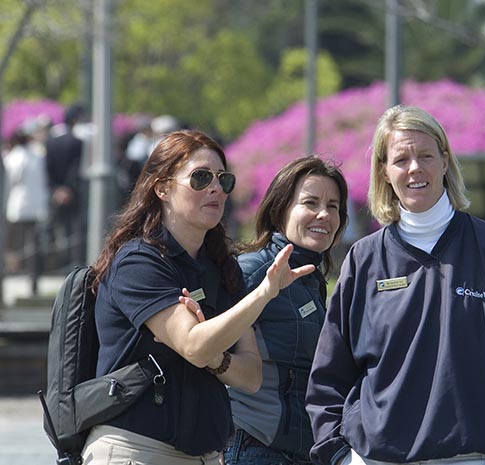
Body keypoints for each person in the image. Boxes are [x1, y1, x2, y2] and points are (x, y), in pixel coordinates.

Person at [305, 105, 485, 465]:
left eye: (425, 155)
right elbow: (328, 375)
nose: (414, 168)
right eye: (401, 159)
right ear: (385, 172)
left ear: (445, 161)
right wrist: (339, 456)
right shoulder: (364, 259)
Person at [83, 129, 315, 464]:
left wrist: (213, 355)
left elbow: (250, 376)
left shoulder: (220, 267)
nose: (216, 188)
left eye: (224, 179)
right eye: (200, 177)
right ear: (162, 187)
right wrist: (264, 293)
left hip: (202, 455)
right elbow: (194, 343)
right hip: (136, 451)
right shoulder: (138, 261)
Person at [223, 156, 349, 465]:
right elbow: (207, 355)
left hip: (300, 453)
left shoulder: (311, 279)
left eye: (333, 206)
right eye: (311, 202)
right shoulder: (252, 272)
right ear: (280, 210)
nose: (324, 214)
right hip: (253, 448)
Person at [2, 128, 49, 291]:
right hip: (36, 205)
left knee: (14, 243)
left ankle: (14, 271)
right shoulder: (37, 156)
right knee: (33, 242)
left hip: (18, 205)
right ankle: (33, 277)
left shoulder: (14, 157)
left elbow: (10, 180)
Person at [45, 104, 85, 267]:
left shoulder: (51, 141)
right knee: (72, 228)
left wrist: (55, 189)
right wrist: (67, 188)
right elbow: (74, 168)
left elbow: (48, 168)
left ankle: (53, 261)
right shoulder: (76, 141)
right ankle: (71, 261)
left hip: (55, 191)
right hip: (71, 191)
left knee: (54, 226)